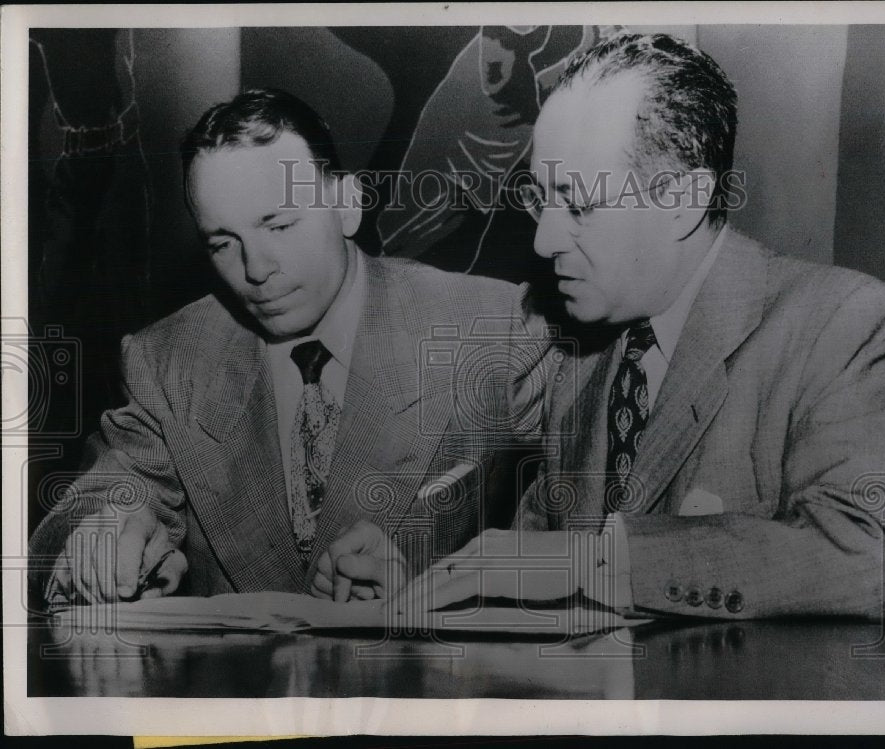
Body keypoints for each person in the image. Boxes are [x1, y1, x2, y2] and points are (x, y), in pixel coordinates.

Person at [415, 33, 885, 620]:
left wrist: (596, 563)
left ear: (683, 201)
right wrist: (410, 578)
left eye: (579, 205)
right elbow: (528, 564)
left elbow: (878, 563)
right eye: (541, 201)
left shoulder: (848, 325)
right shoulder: (578, 355)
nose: (545, 240)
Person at [29, 88, 543, 606]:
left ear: (346, 205)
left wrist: (437, 592)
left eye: (278, 225)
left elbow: (589, 531)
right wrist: (101, 536)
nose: (255, 270)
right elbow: (88, 504)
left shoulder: (492, 327)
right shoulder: (166, 360)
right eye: (222, 243)